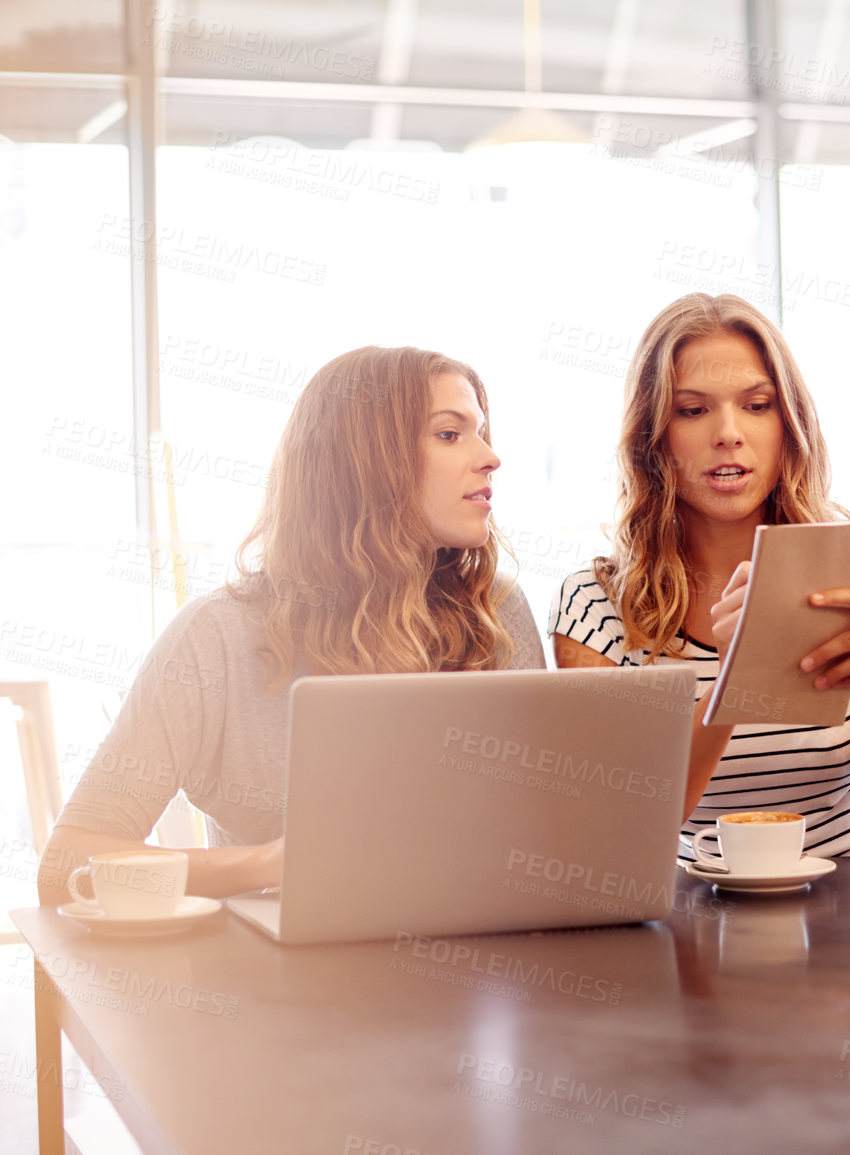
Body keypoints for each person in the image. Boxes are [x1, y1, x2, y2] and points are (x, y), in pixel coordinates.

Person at [37, 346, 544, 903]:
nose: (490, 456)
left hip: (474, 968)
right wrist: (269, 864)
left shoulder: (495, 613)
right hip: (282, 979)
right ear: (367, 462)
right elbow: (65, 866)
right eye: (450, 434)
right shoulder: (217, 638)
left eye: (481, 432)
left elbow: (542, 837)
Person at [551, 294, 850, 866]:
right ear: (654, 438)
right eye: (692, 410)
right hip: (698, 919)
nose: (728, 433)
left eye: (756, 404)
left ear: (789, 423)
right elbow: (614, 836)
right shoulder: (593, 603)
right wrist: (734, 674)